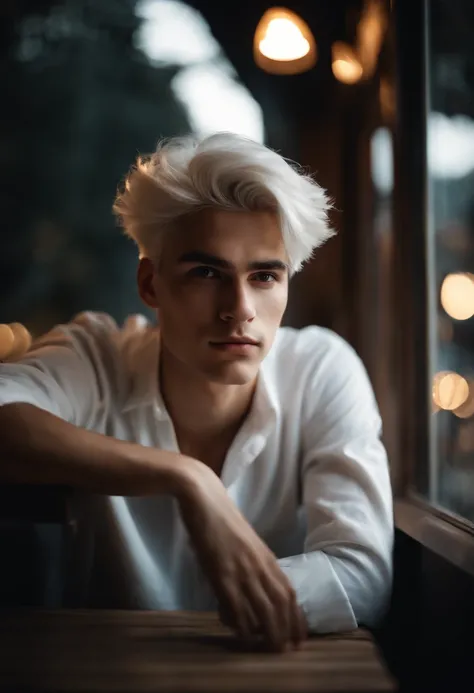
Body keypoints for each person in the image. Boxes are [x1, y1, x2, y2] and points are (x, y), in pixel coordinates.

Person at [0, 132, 393, 653]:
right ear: (150, 283)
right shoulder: (97, 356)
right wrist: (185, 478)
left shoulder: (321, 368)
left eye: (264, 276)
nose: (239, 308)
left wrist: (236, 601)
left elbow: (361, 574)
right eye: (206, 272)